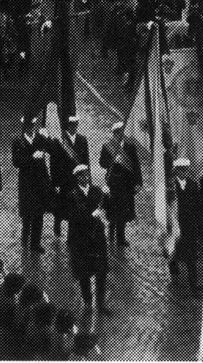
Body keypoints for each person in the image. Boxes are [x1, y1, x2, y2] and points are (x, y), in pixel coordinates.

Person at [64, 165, 109, 316]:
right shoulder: (72, 195)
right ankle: (88, 302)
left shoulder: (97, 191)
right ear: (77, 178)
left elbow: (107, 207)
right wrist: (92, 215)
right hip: (80, 239)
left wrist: (108, 196)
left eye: (86, 175)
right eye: (81, 176)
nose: (85, 178)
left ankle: (101, 304)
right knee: (84, 273)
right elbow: (73, 218)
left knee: (101, 271)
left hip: (97, 237)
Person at [12, 117, 51, 253]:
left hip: (40, 182)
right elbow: (16, 162)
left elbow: (53, 149)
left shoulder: (40, 138)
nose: (30, 127)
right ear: (24, 126)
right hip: (26, 183)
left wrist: (48, 137)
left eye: (32, 125)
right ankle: (25, 236)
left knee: (39, 214)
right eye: (28, 125)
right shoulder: (18, 141)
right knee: (27, 213)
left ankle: (35, 243)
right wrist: (31, 158)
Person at [100, 122, 140, 249]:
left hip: (126, 184)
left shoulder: (130, 147)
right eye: (117, 133)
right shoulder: (107, 147)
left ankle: (121, 238)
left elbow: (136, 165)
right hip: (113, 184)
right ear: (114, 133)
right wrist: (113, 161)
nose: (120, 135)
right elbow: (102, 163)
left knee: (123, 211)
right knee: (112, 209)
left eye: (121, 132)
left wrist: (139, 182)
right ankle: (111, 230)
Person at [50, 115, 89, 239]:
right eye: (71, 125)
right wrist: (55, 181)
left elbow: (86, 162)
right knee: (61, 205)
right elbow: (53, 162)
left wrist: (87, 179)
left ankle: (72, 234)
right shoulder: (59, 141)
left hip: (76, 180)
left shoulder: (82, 140)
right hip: (64, 180)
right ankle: (57, 224)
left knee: (75, 207)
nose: (74, 127)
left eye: (75, 125)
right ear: (67, 126)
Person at [169, 158, 203, 293]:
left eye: (185, 170)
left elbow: (198, 206)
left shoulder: (193, 185)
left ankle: (193, 285)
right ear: (176, 171)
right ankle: (174, 271)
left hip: (189, 226)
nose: (183, 172)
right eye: (180, 170)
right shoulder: (171, 186)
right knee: (174, 251)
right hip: (176, 225)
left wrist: (198, 225)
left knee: (191, 257)